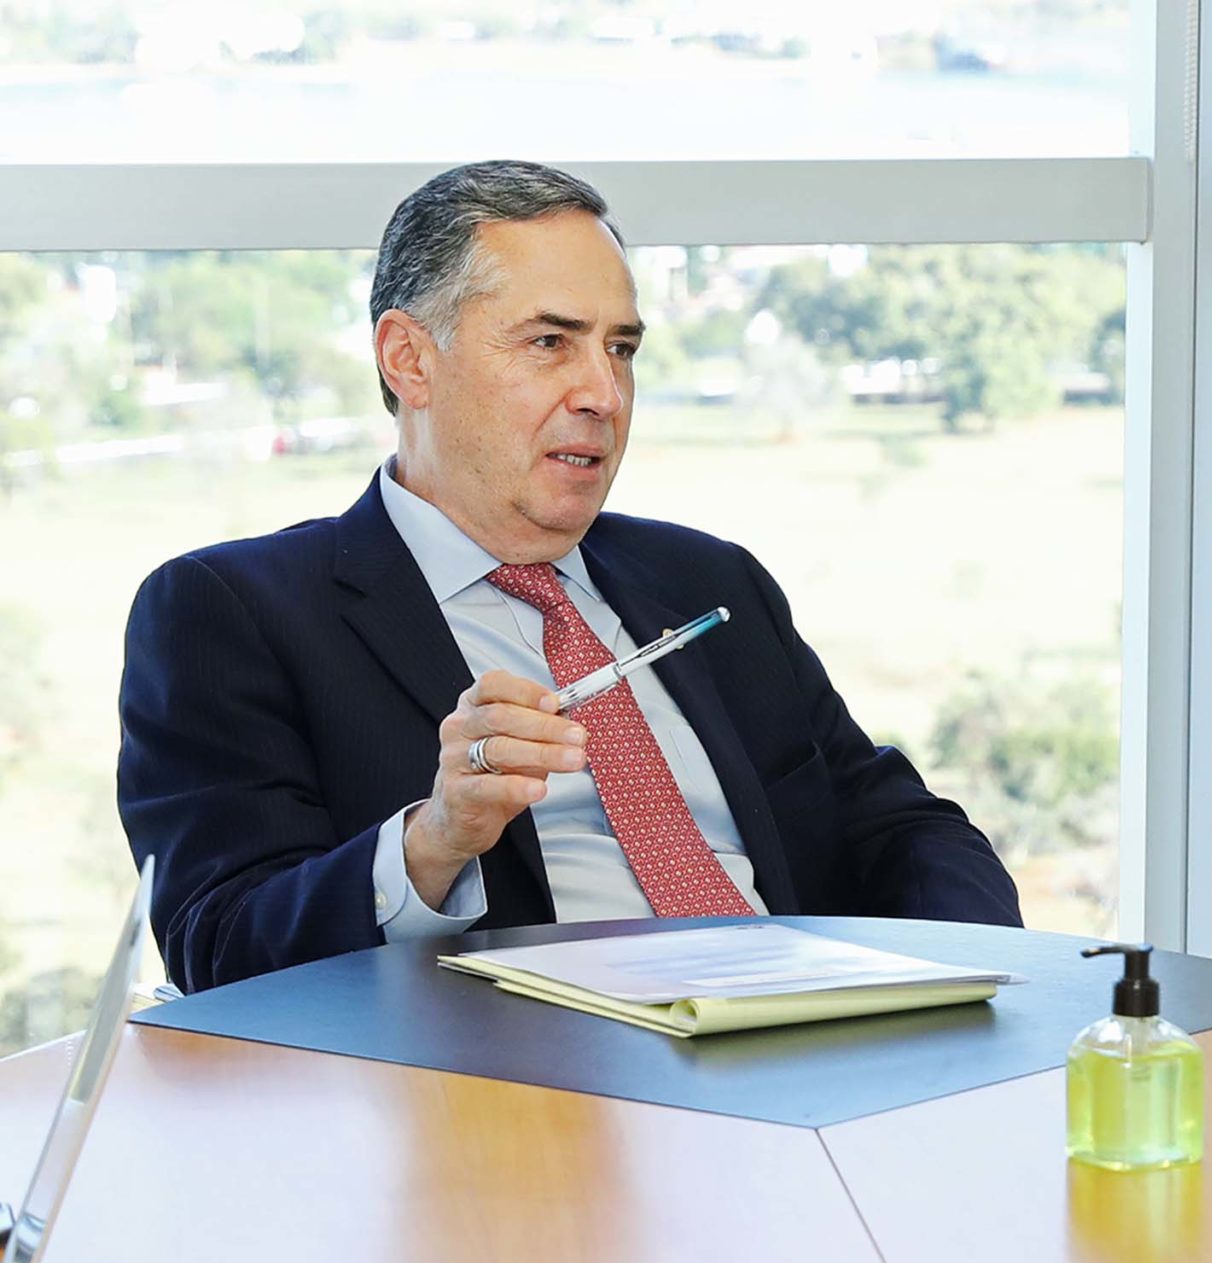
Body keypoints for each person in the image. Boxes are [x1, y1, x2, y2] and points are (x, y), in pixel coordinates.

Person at [118, 160, 1020, 993]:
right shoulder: (231, 611)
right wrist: (433, 841)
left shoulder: (713, 580)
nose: (604, 393)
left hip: (804, 1057)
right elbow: (219, 945)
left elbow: (904, 829)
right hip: (518, 1118)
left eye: (621, 348)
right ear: (409, 359)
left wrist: (966, 984)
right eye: (551, 342)